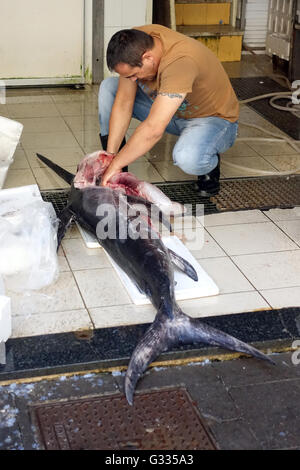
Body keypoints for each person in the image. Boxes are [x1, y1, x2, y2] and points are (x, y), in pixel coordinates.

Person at [98, 24, 239, 195]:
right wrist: (111, 158)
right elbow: (123, 103)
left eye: (134, 74)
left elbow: (153, 129)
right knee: (109, 88)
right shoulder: (134, 43)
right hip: (171, 110)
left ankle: (209, 163)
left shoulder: (181, 62)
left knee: (188, 158)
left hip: (210, 119)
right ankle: (117, 174)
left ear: (148, 58)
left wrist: (115, 164)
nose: (133, 80)